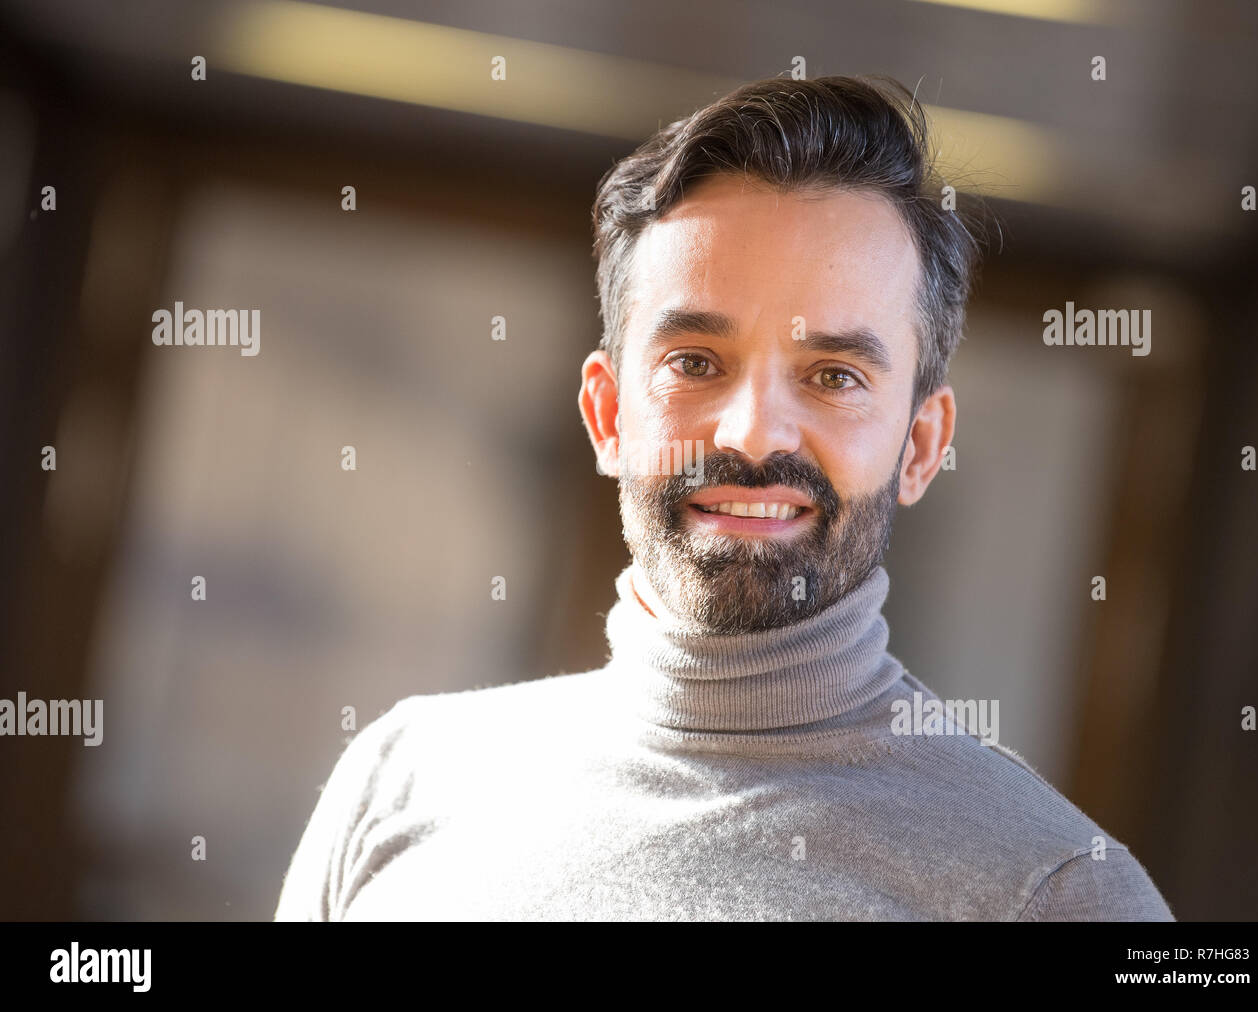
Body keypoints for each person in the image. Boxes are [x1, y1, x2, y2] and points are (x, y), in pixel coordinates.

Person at [274, 74, 1174, 921]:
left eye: (833, 374)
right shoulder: (403, 778)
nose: (753, 436)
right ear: (607, 415)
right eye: (696, 363)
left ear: (922, 445)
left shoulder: (1053, 892)